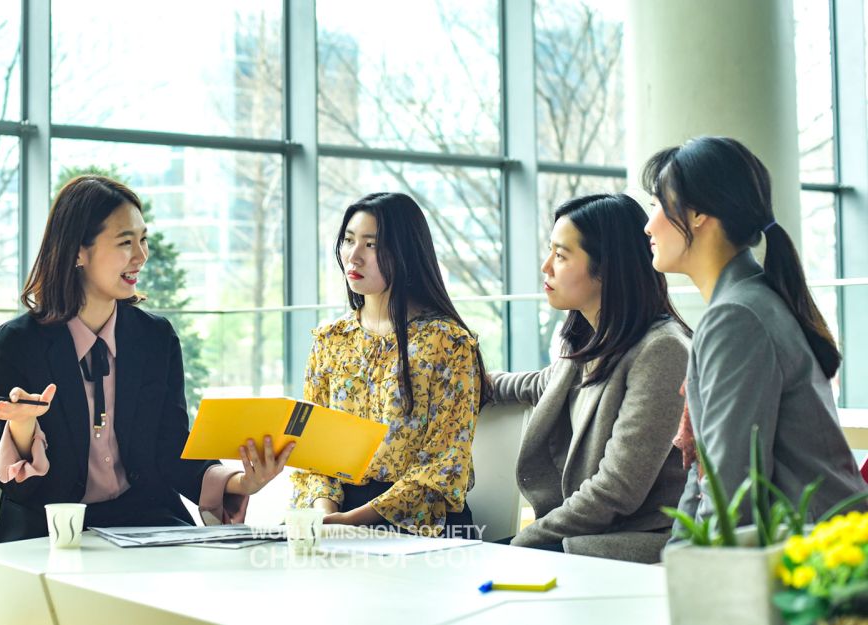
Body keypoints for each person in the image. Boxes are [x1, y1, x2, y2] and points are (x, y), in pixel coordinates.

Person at [0, 175, 293, 543]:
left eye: (142, 239)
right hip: (53, 531)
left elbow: (172, 449)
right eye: (125, 242)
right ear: (77, 251)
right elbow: (21, 490)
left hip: (145, 521)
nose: (141, 255)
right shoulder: (18, 344)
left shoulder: (155, 339)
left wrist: (242, 481)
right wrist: (22, 427)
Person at [641, 136, 867, 530]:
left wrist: (681, 569)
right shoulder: (750, 301)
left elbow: (730, 493)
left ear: (697, 214)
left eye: (658, 205)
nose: (648, 225)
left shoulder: (737, 317)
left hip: (811, 560)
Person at [491, 193, 691, 563]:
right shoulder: (587, 337)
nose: (546, 266)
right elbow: (538, 385)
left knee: (483, 562)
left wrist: (524, 541)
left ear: (606, 269)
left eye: (562, 255)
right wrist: (458, 376)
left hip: (633, 542)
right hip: (585, 532)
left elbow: (616, 490)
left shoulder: (662, 350)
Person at [290, 192, 491, 537]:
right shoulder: (330, 340)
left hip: (423, 523)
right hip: (335, 514)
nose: (354, 256)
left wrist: (351, 522)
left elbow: (445, 464)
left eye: (371, 245)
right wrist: (325, 514)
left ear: (405, 253)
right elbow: (311, 450)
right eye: (349, 240)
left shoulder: (448, 342)